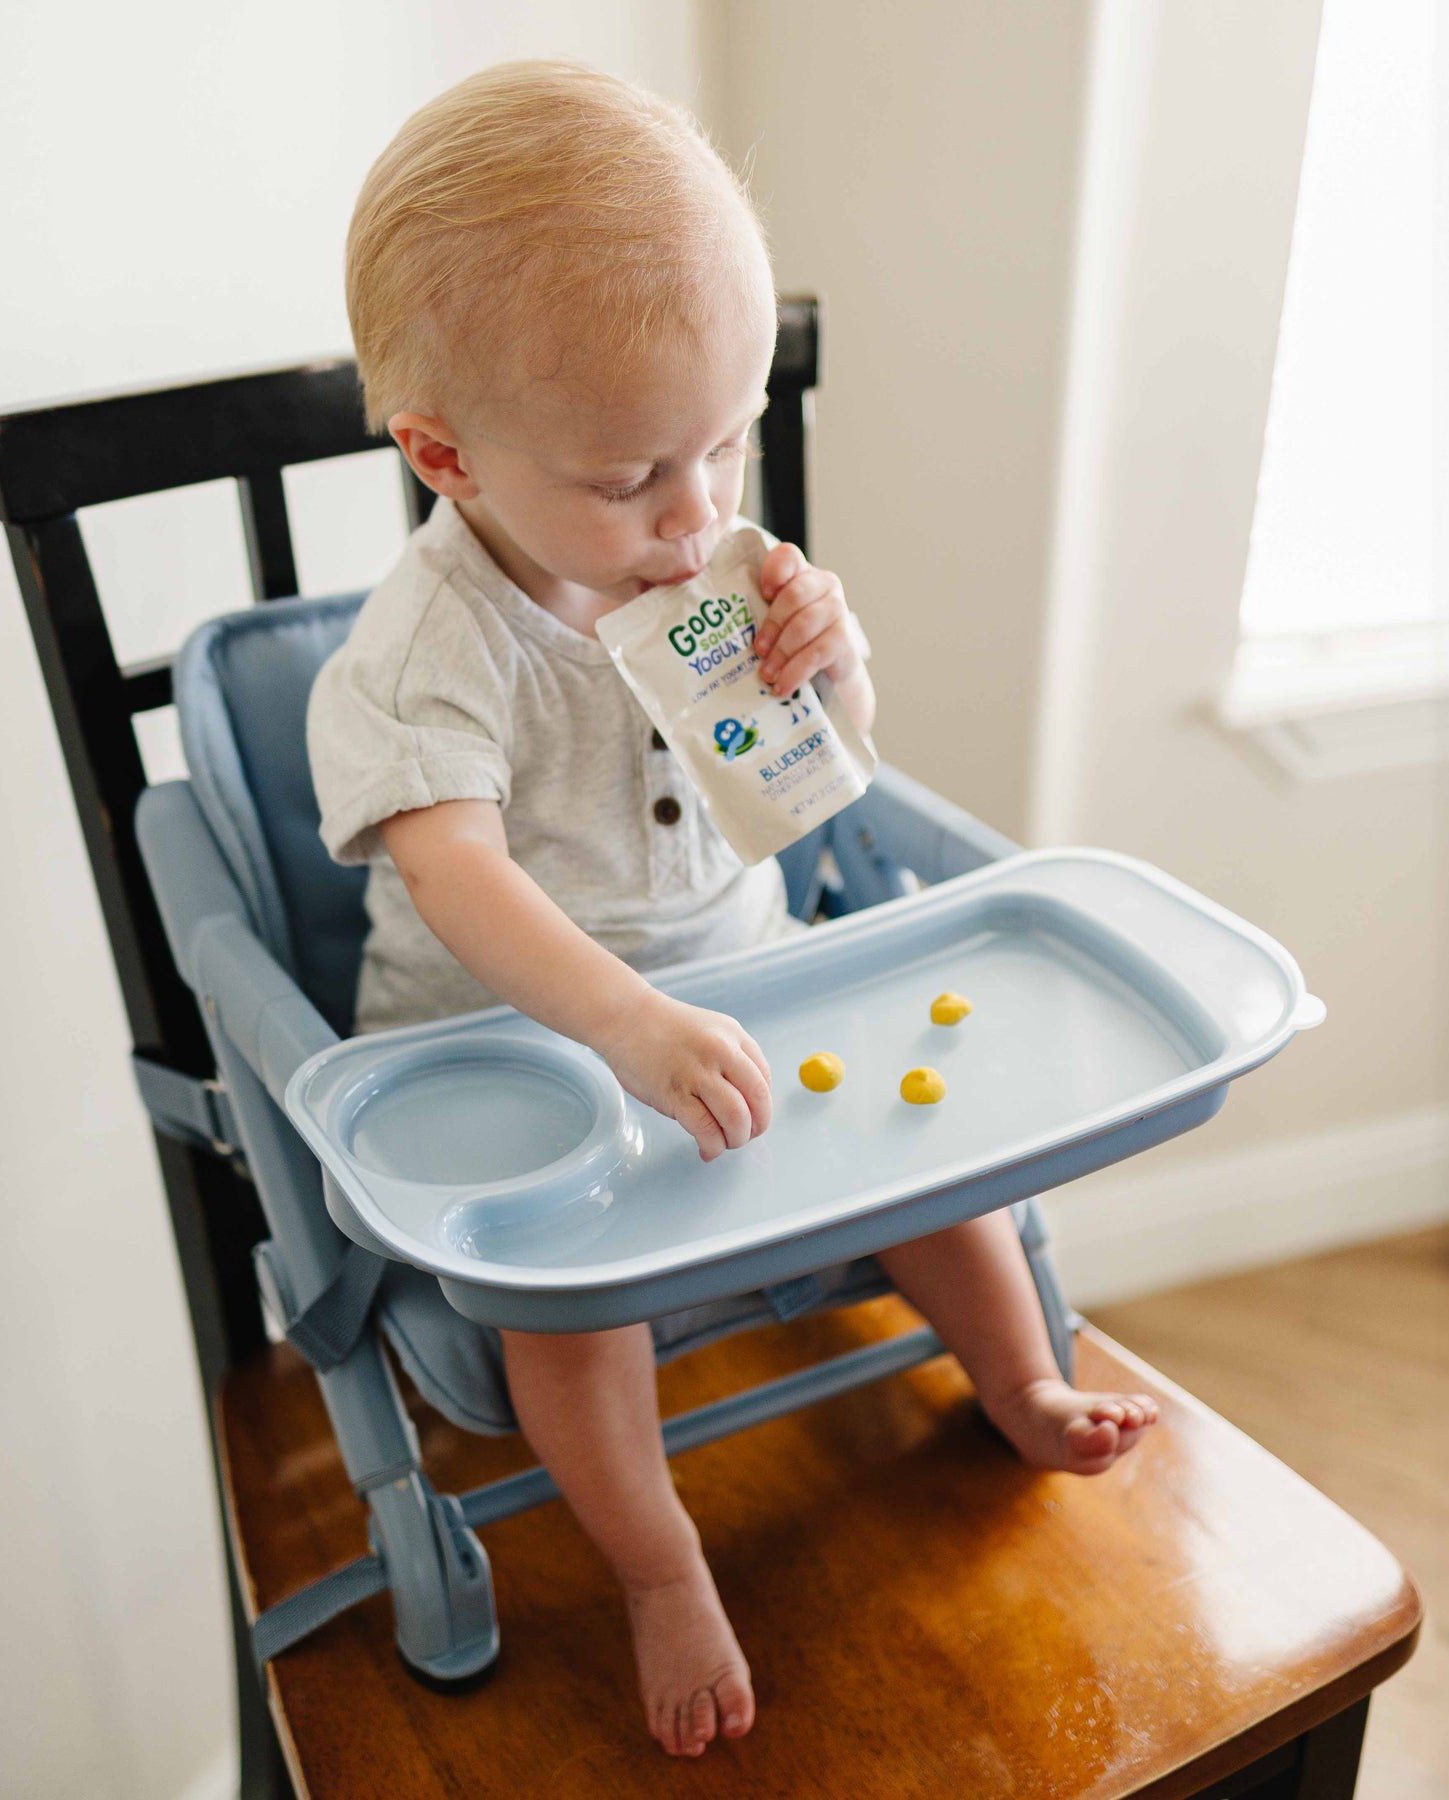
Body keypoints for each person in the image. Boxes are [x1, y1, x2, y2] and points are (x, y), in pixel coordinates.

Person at [308, 60, 1157, 1758]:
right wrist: (618, 1025)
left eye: (729, 440)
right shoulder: (428, 656)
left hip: (746, 977)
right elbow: (456, 871)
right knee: (576, 1304)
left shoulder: (699, 559)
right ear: (444, 452)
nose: (698, 512)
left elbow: (822, 774)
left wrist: (832, 664)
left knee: (938, 1165)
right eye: (637, 475)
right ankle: (655, 1560)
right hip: (520, 1044)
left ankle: (1014, 1377)